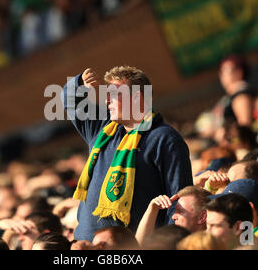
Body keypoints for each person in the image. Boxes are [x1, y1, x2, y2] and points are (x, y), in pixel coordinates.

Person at [63, 66, 192, 241]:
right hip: (84, 243)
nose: (108, 100)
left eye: (114, 95)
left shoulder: (165, 138)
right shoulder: (101, 128)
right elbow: (69, 100)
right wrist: (80, 82)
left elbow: (178, 197)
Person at [135, 186, 210, 245]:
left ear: (202, 217)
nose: (173, 217)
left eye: (180, 211)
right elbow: (140, 247)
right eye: (175, 211)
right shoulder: (172, 242)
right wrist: (153, 209)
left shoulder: (213, 246)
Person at [215, 55, 254, 127]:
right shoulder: (230, 96)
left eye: (225, 70)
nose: (221, 75)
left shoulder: (241, 95)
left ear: (239, 72)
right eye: (220, 71)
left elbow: (245, 125)